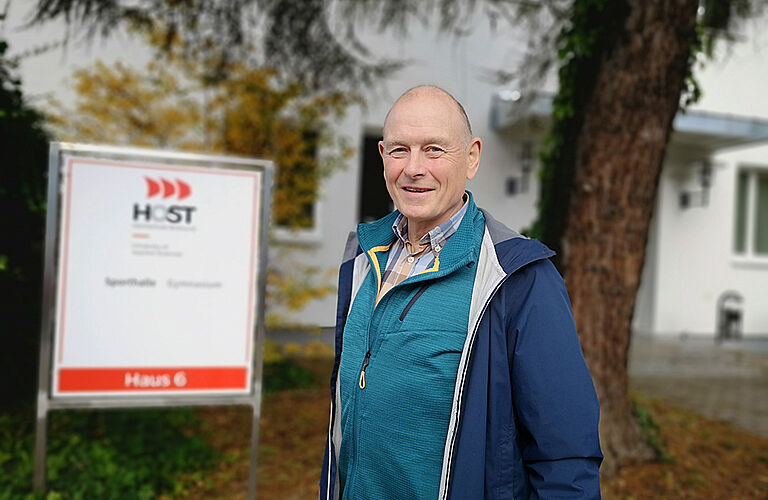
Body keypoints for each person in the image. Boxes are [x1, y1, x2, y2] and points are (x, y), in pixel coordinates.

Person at [319, 85, 602, 500]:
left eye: (434, 149)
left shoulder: (519, 278)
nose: (414, 168)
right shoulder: (362, 261)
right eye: (400, 150)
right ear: (382, 156)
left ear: (471, 157)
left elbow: (565, 457)